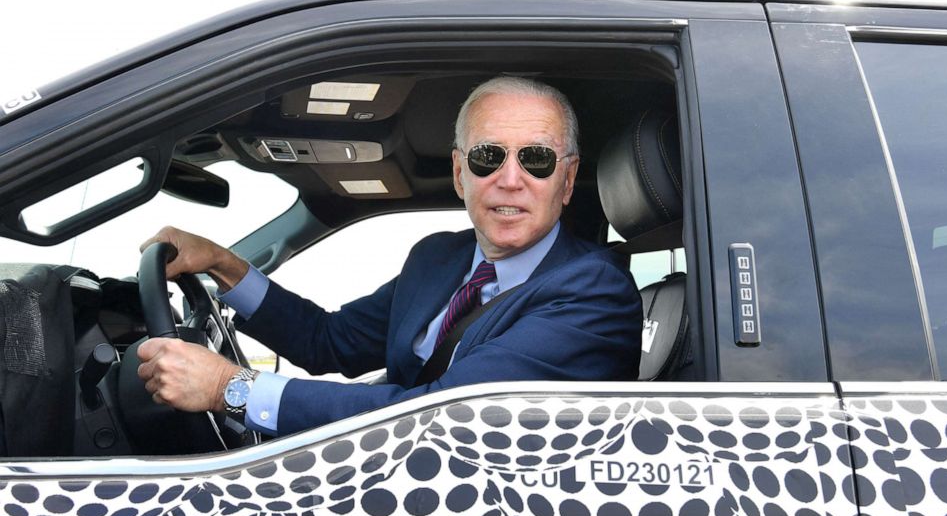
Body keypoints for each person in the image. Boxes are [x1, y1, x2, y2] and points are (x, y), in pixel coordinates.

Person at [136, 77, 642, 436]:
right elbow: (327, 342)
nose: (510, 179)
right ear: (461, 174)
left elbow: (440, 417)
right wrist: (222, 263)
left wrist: (231, 387)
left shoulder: (596, 293)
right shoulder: (437, 259)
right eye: (489, 156)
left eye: (536, 158)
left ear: (568, 179)